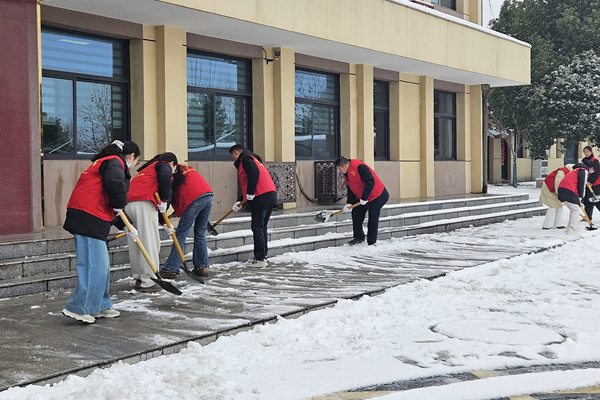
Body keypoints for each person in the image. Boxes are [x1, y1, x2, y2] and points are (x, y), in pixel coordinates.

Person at [62, 140, 141, 324]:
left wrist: (127, 226)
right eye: (137, 161)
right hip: (88, 217)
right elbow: (114, 187)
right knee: (93, 265)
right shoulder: (115, 161)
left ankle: (100, 305)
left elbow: (111, 201)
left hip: (94, 215)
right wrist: (119, 205)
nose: (134, 165)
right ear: (131, 156)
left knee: (102, 266)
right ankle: (79, 307)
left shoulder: (108, 162)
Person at [126, 152, 178, 292]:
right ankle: (149, 281)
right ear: (172, 163)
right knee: (149, 242)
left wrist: (164, 222)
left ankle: (139, 278)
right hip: (144, 203)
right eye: (174, 169)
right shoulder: (164, 165)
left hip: (129, 205)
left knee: (136, 242)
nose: (173, 172)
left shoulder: (146, 171)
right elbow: (165, 178)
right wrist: (165, 200)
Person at [159, 165, 213, 279]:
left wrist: (161, 216)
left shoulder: (169, 174)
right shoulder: (186, 168)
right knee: (200, 233)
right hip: (207, 196)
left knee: (180, 234)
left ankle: (171, 268)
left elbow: (168, 196)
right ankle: (202, 267)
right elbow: (188, 190)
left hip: (194, 200)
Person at [229, 144, 277, 268]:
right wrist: (239, 201)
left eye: (232, 157)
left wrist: (250, 193)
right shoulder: (253, 159)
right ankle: (262, 256)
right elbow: (249, 182)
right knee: (261, 227)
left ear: (235, 153)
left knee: (257, 227)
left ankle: (260, 258)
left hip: (261, 196)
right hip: (269, 194)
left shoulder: (245, 158)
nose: (233, 160)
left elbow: (253, 173)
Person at [335, 156, 389, 245]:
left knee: (373, 217)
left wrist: (364, 197)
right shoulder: (346, 173)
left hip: (376, 195)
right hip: (362, 197)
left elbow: (370, 181)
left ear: (345, 166)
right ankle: (358, 237)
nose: (339, 171)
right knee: (356, 214)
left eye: (339, 169)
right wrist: (350, 203)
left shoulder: (359, 167)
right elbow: (350, 188)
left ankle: (371, 242)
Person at [557, 163, 589, 235]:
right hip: (569, 191)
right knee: (575, 210)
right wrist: (581, 197)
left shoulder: (574, 171)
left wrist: (579, 201)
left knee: (574, 209)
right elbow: (582, 185)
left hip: (563, 190)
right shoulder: (583, 171)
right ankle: (572, 229)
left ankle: (569, 228)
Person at [538, 165, 571, 230]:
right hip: (550, 188)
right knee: (552, 205)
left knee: (560, 205)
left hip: (556, 189)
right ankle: (547, 225)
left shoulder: (568, 173)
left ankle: (558, 224)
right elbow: (558, 183)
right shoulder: (562, 171)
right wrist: (559, 194)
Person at [582, 146, 600, 221]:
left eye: (587, 152)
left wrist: (591, 181)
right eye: (585, 152)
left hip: (596, 183)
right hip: (588, 183)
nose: (586, 153)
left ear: (591, 152)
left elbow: (596, 173)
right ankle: (588, 216)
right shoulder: (585, 161)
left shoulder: (595, 161)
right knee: (587, 200)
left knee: (596, 200)